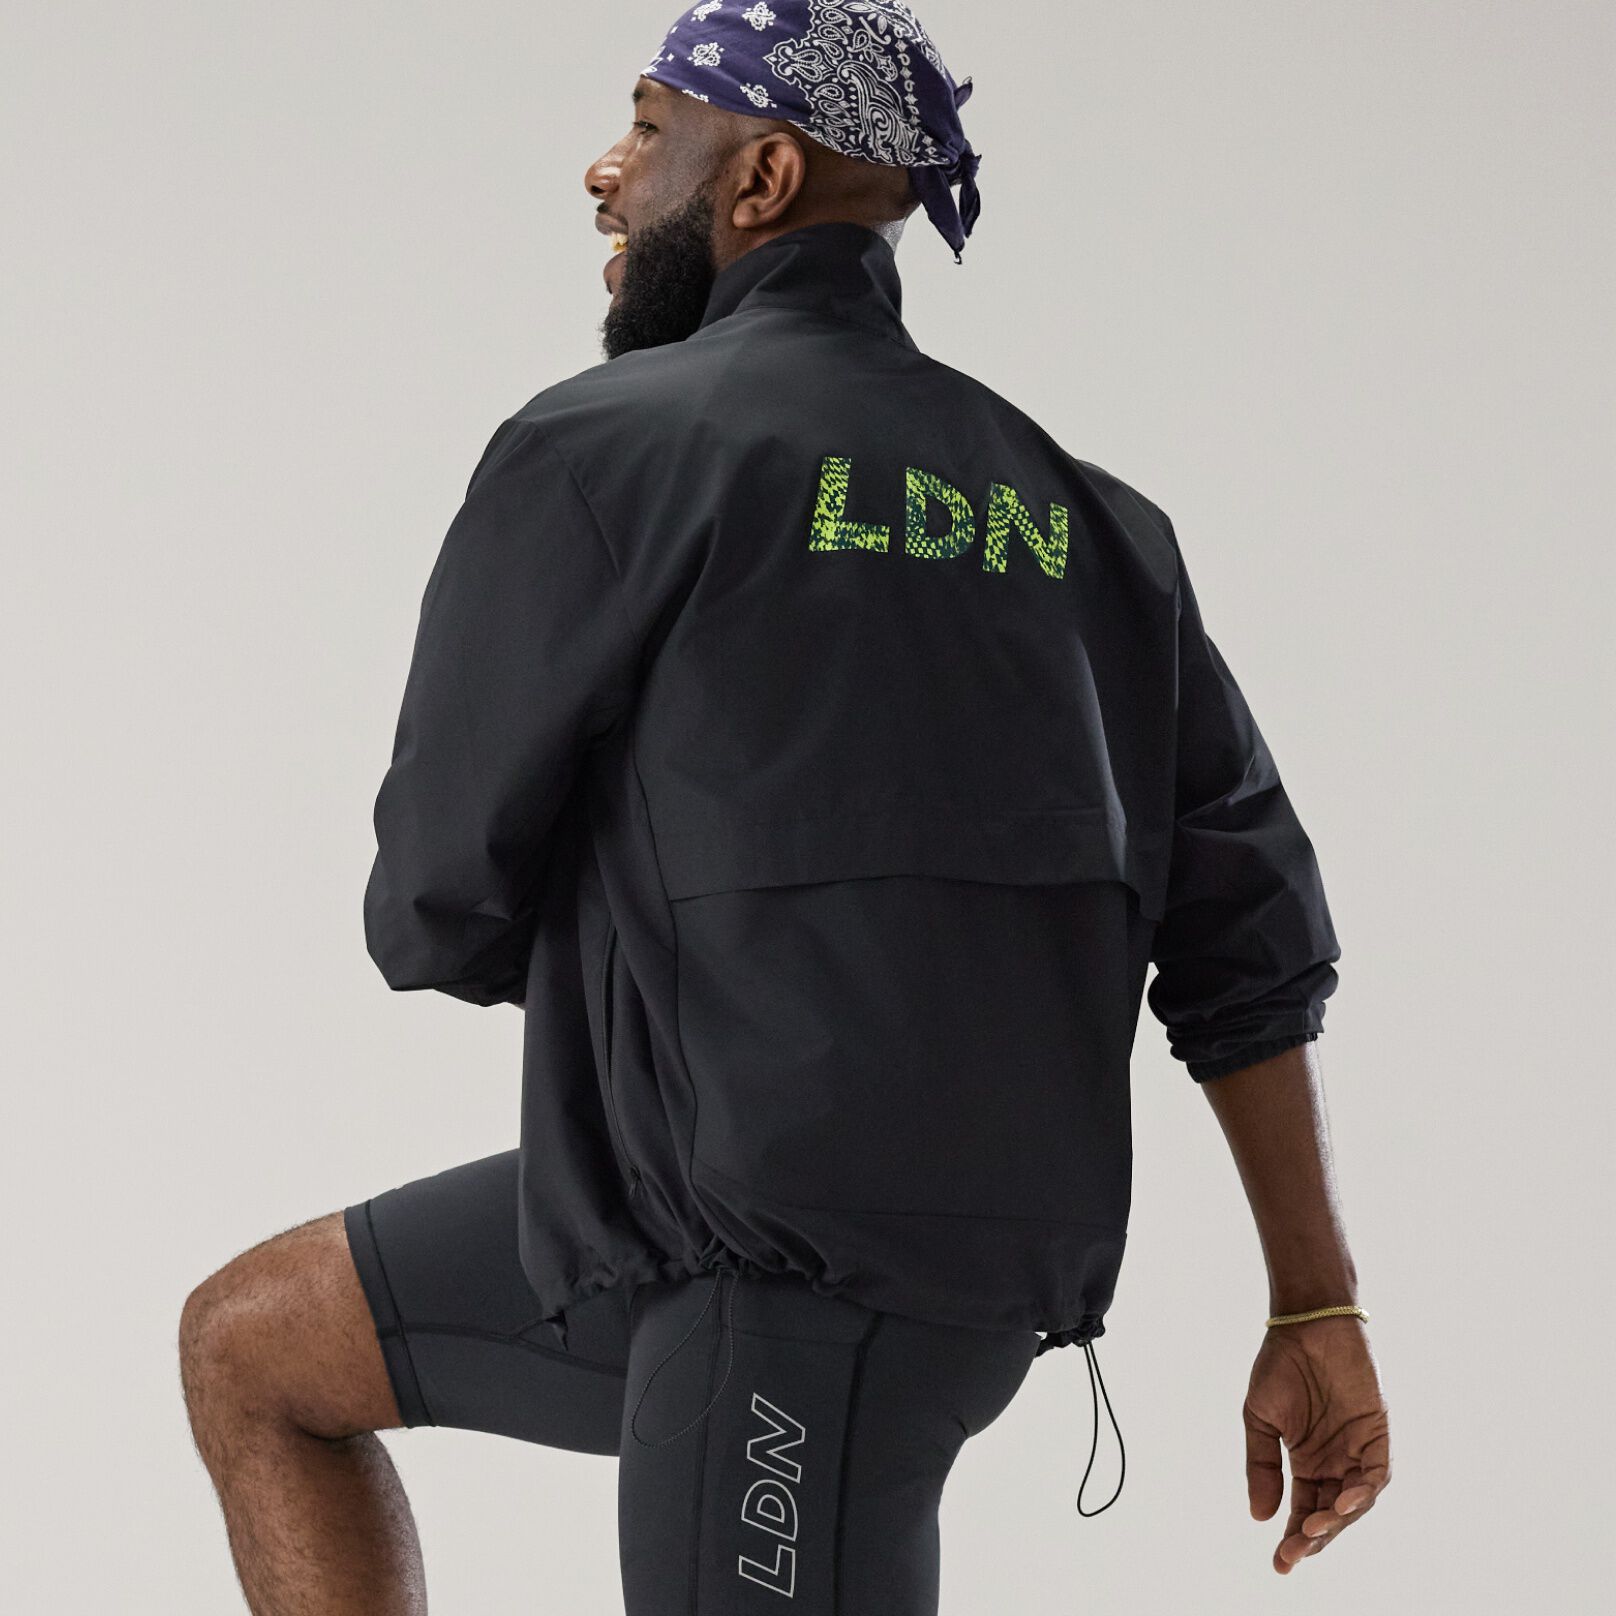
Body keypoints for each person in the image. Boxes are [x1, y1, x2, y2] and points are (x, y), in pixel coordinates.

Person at [179, 4, 1391, 1611]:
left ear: (758, 179)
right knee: (256, 1346)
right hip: (874, 1256)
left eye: (647, 126)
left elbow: (432, 906)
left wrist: (673, 930)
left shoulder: (604, 452)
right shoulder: (1093, 520)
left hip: (770, 1272)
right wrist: (1316, 1303)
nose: (605, 172)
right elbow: (1252, 942)